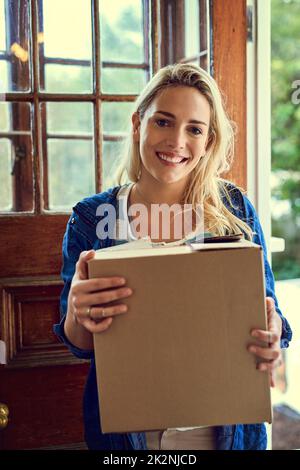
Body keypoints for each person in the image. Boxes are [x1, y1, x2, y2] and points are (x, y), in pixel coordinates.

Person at [54, 63, 292, 450]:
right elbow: (80, 343)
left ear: (208, 140)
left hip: (226, 432)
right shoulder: (93, 216)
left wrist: (272, 330)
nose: (176, 141)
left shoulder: (235, 209)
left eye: (194, 129)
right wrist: (78, 313)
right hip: (131, 438)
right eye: (163, 122)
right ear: (138, 123)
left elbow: (272, 317)